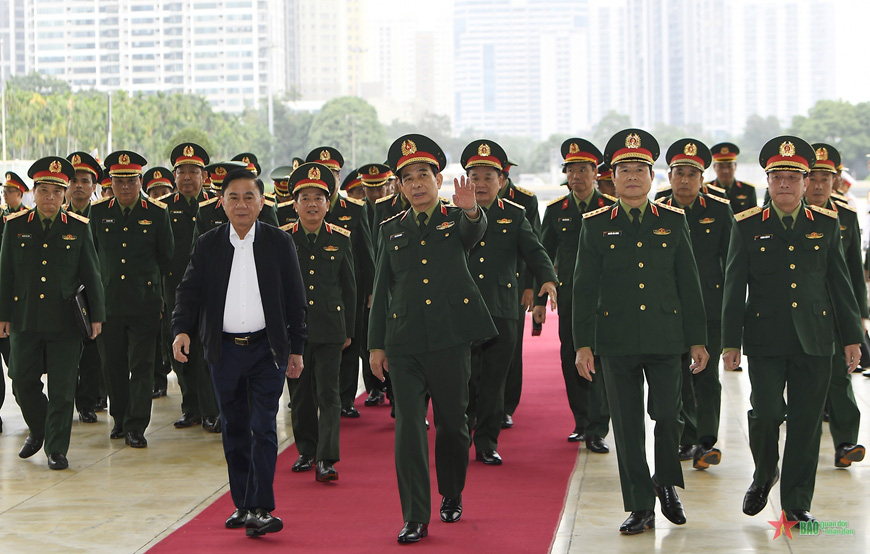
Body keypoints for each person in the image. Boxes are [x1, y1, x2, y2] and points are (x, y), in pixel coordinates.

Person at [574, 129, 709, 534]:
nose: (633, 177)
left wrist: (698, 339)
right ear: (611, 179)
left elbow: (689, 283)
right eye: (624, 170)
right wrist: (583, 344)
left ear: (654, 177)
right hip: (615, 340)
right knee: (628, 426)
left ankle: (665, 481)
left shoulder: (672, 220)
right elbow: (583, 288)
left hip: (665, 337)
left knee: (669, 414)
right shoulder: (596, 225)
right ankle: (639, 505)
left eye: (640, 170)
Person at [722, 136, 863, 525]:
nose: (785, 184)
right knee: (765, 414)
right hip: (766, 338)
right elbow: (734, 287)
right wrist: (730, 342)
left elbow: (840, 284)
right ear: (767, 181)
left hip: (816, 339)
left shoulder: (827, 224)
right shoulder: (748, 225)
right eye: (777, 177)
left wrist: (852, 337)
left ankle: (796, 503)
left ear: (806, 183)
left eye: (793, 178)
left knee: (806, 423)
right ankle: (765, 471)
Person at [369, 134, 496, 543]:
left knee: (454, 426)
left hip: (449, 339)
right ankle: (415, 515)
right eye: (407, 178)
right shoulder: (390, 228)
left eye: (423, 174)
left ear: (438, 179)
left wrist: (471, 210)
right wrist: (376, 345)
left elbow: (474, 232)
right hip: (404, 342)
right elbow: (381, 287)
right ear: (400, 187)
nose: (416, 183)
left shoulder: (455, 219)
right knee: (408, 427)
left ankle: (452, 491)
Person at [172, 169, 307, 537]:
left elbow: (296, 301)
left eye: (249, 197)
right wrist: (181, 330)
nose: (242, 204)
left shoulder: (279, 242)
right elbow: (188, 293)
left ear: (262, 202)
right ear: (222, 203)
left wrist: (296, 349)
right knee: (233, 428)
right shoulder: (209, 243)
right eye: (234, 197)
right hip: (224, 351)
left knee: (262, 426)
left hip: (267, 350)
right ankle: (243, 504)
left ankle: (261, 507)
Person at [0, 156, 105, 470]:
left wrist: (97, 316)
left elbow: (92, 274)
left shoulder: (78, 228)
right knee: (21, 380)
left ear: (65, 194)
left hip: (65, 321)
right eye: (43, 191)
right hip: (24, 317)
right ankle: (41, 427)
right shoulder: (16, 225)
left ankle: (56, 449)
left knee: (62, 386)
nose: (50, 198)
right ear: (33, 192)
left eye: (57, 192)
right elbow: (5, 274)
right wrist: (3, 315)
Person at [460, 139, 557, 465]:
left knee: (493, 382)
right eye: (475, 177)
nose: (482, 184)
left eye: (489, 177)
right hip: (464, 310)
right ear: (466, 181)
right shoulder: (451, 214)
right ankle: (462, 433)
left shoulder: (514, 216)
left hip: (503, 308)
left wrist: (546, 279)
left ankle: (487, 442)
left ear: (502, 181)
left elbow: (536, 251)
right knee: (465, 380)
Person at [659, 139, 734, 469]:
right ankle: (686, 437)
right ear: (669, 176)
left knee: (706, 375)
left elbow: (732, 263)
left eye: (692, 174)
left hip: (709, 308)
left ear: (702, 179)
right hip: (669, 309)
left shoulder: (718, 210)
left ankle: (706, 440)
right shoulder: (659, 209)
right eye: (679, 173)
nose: (685, 180)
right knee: (678, 375)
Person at [90, 150, 174, 448]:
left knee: (141, 366)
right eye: (118, 181)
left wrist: (163, 300)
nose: (125, 187)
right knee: (112, 366)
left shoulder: (156, 212)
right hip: (108, 303)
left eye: (131, 181)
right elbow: (90, 259)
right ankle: (121, 419)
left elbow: (167, 260)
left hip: (145, 303)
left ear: (141, 181)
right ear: (110, 183)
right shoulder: (98, 213)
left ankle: (137, 426)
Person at [536, 138, 615, 452]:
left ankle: (598, 426)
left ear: (596, 173)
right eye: (572, 170)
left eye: (584, 170)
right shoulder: (557, 210)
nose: (577, 176)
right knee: (571, 357)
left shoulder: (608, 209)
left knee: (600, 359)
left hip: (604, 299)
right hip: (568, 297)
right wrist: (541, 302)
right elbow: (543, 256)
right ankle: (581, 422)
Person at [282, 162, 355, 481]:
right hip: (293, 332)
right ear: (294, 203)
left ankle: (327, 458)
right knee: (300, 395)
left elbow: (350, 288)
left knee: (328, 393)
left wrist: (349, 330)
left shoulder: (340, 238)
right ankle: (306, 451)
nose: (312, 204)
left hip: (329, 329)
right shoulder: (282, 239)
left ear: (328, 203)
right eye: (305, 198)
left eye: (319, 198)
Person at [803, 143, 867, 468]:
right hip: (800, 313)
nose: (816, 185)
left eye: (824, 178)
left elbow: (855, 272)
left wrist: (860, 319)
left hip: (837, 313)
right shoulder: (786, 211)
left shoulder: (846, 215)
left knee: (841, 378)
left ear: (836, 180)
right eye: (811, 177)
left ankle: (845, 443)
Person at [306, 147, 374, 420]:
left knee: (349, 343)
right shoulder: (300, 207)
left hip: (349, 288)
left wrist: (369, 290)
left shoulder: (355, 209)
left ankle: (346, 399)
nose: (330, 179)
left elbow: (366, 252)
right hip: (315, 288)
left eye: (333, 174)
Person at [161, 144, 221, 433]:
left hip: (208, 290)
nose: (187, 177)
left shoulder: (215, 206)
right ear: (174, 176)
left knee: (205, 351)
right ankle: (191, 407)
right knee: (181, 355)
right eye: (181, 171)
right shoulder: (163, 208)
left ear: (204, 176)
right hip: (174, 290)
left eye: (193, 172)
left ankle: (211, 410)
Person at [499, 160, 541, 428]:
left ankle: (506, 406)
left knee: (511, 349)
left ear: (503, 176)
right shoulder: (469, 198)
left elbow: (534, 245)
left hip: (514, 285)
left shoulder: (524, 201)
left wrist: (530, 287)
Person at [64, 152, 104, 424]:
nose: (79, 186)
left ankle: (87, 402)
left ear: (94, 187)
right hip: (64, 297)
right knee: (65, 355)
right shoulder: (58, 216)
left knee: (91, 352)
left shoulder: (101, 215)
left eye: (85, 181)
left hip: (92, 294)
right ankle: (65, 402)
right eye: (74, 180)